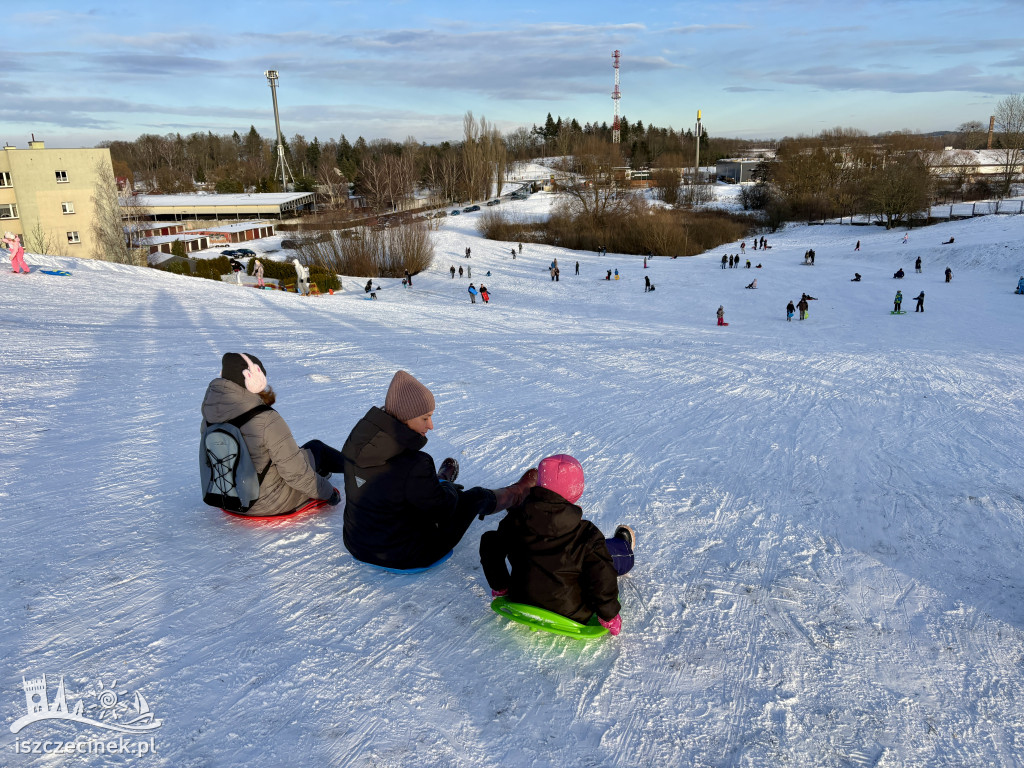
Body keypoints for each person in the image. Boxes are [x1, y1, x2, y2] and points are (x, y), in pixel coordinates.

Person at [341, 370, 537, 569]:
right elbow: (442, 512)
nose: (431, 425)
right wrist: (449, 490)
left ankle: (438, 481)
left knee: (410, 489)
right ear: (405, 416)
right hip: (405, 555)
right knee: (476, 496)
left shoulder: (355, 445)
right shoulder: (416, 463)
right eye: (425, 418)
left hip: (356, 545)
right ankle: (517, 494)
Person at [480, 454, 635, 635]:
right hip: (572, 612)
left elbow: (490, 544)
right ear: (576, 491)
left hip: (521, 597)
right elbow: (602, 576)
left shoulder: (516, 519)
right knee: (604, 556)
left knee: (593, 553)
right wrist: (609, 615)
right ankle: (624, 548)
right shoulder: (586, 535)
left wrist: (501, 586)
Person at [200, 353, 340, 516]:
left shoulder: (208, 417)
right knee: (317, 449)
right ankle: (362, 473)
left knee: (302, 451)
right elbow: (295, 473)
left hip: (228, 499)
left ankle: (325, 470)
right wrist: (329, 493)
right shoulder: (266, 418)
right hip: (269, 503)